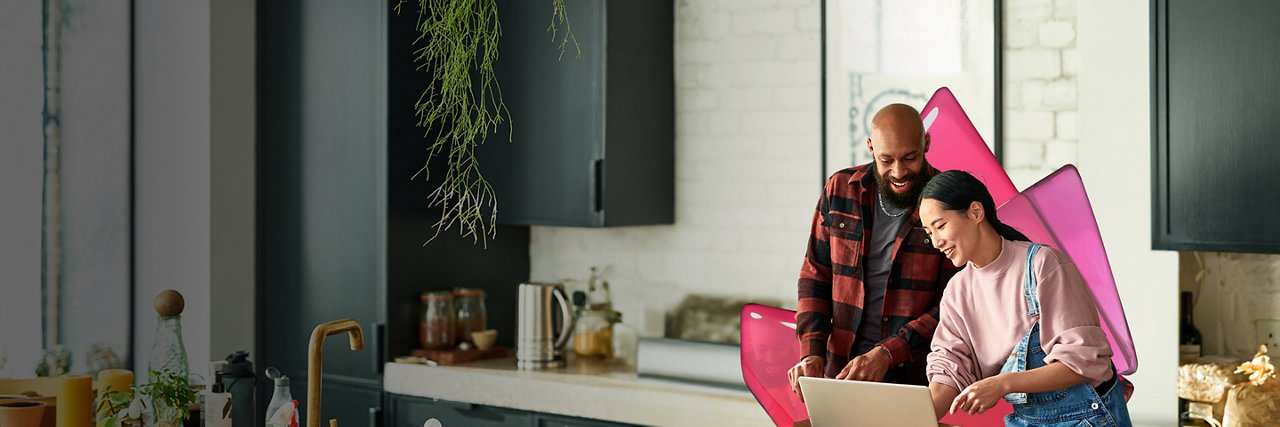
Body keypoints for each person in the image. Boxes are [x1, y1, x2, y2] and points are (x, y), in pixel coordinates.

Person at [919, 170, 1131, 425]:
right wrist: (912, 419)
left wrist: (1001, 384)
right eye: (929, 233)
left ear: (975, 212)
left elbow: (1081, 362)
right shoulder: (957, 291)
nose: (936, 242)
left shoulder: (1043, 264)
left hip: (1088, 417)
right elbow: (949, 369)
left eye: (940, 226)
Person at [788, 104, 961, 399]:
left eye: (910, 157)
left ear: (926, 143)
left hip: (914, 380)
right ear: (870, 147)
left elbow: (955, 303)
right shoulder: (840, 190)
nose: (899, 171)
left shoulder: (949, 203)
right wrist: (812, 353)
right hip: (841, 373)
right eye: (886, 159)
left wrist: (888, 353)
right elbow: (815, 276)